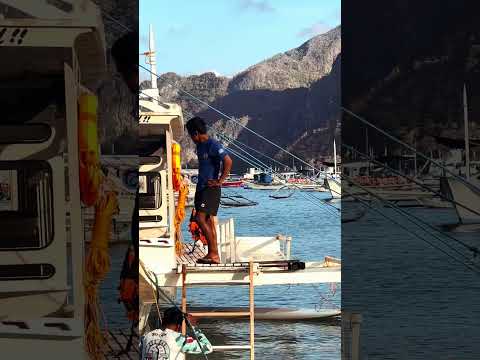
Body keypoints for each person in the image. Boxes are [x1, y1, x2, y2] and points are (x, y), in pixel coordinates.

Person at [186, 116, 232, 264]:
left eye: (191, 135)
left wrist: (220, 181)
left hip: (211, 188)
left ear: (195, 133)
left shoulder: (212, 144)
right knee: (205, 220)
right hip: (201, 188)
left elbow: (228, 161)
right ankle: (213, 254)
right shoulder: (199, 146)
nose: (191, 139)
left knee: (200, 218)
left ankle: (213, 253)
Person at [140, 307, 212, 360]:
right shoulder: (179, 339)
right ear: (179, 326)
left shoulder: (146, 336)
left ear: (163, 321)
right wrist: (193, 327)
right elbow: (208, 348)